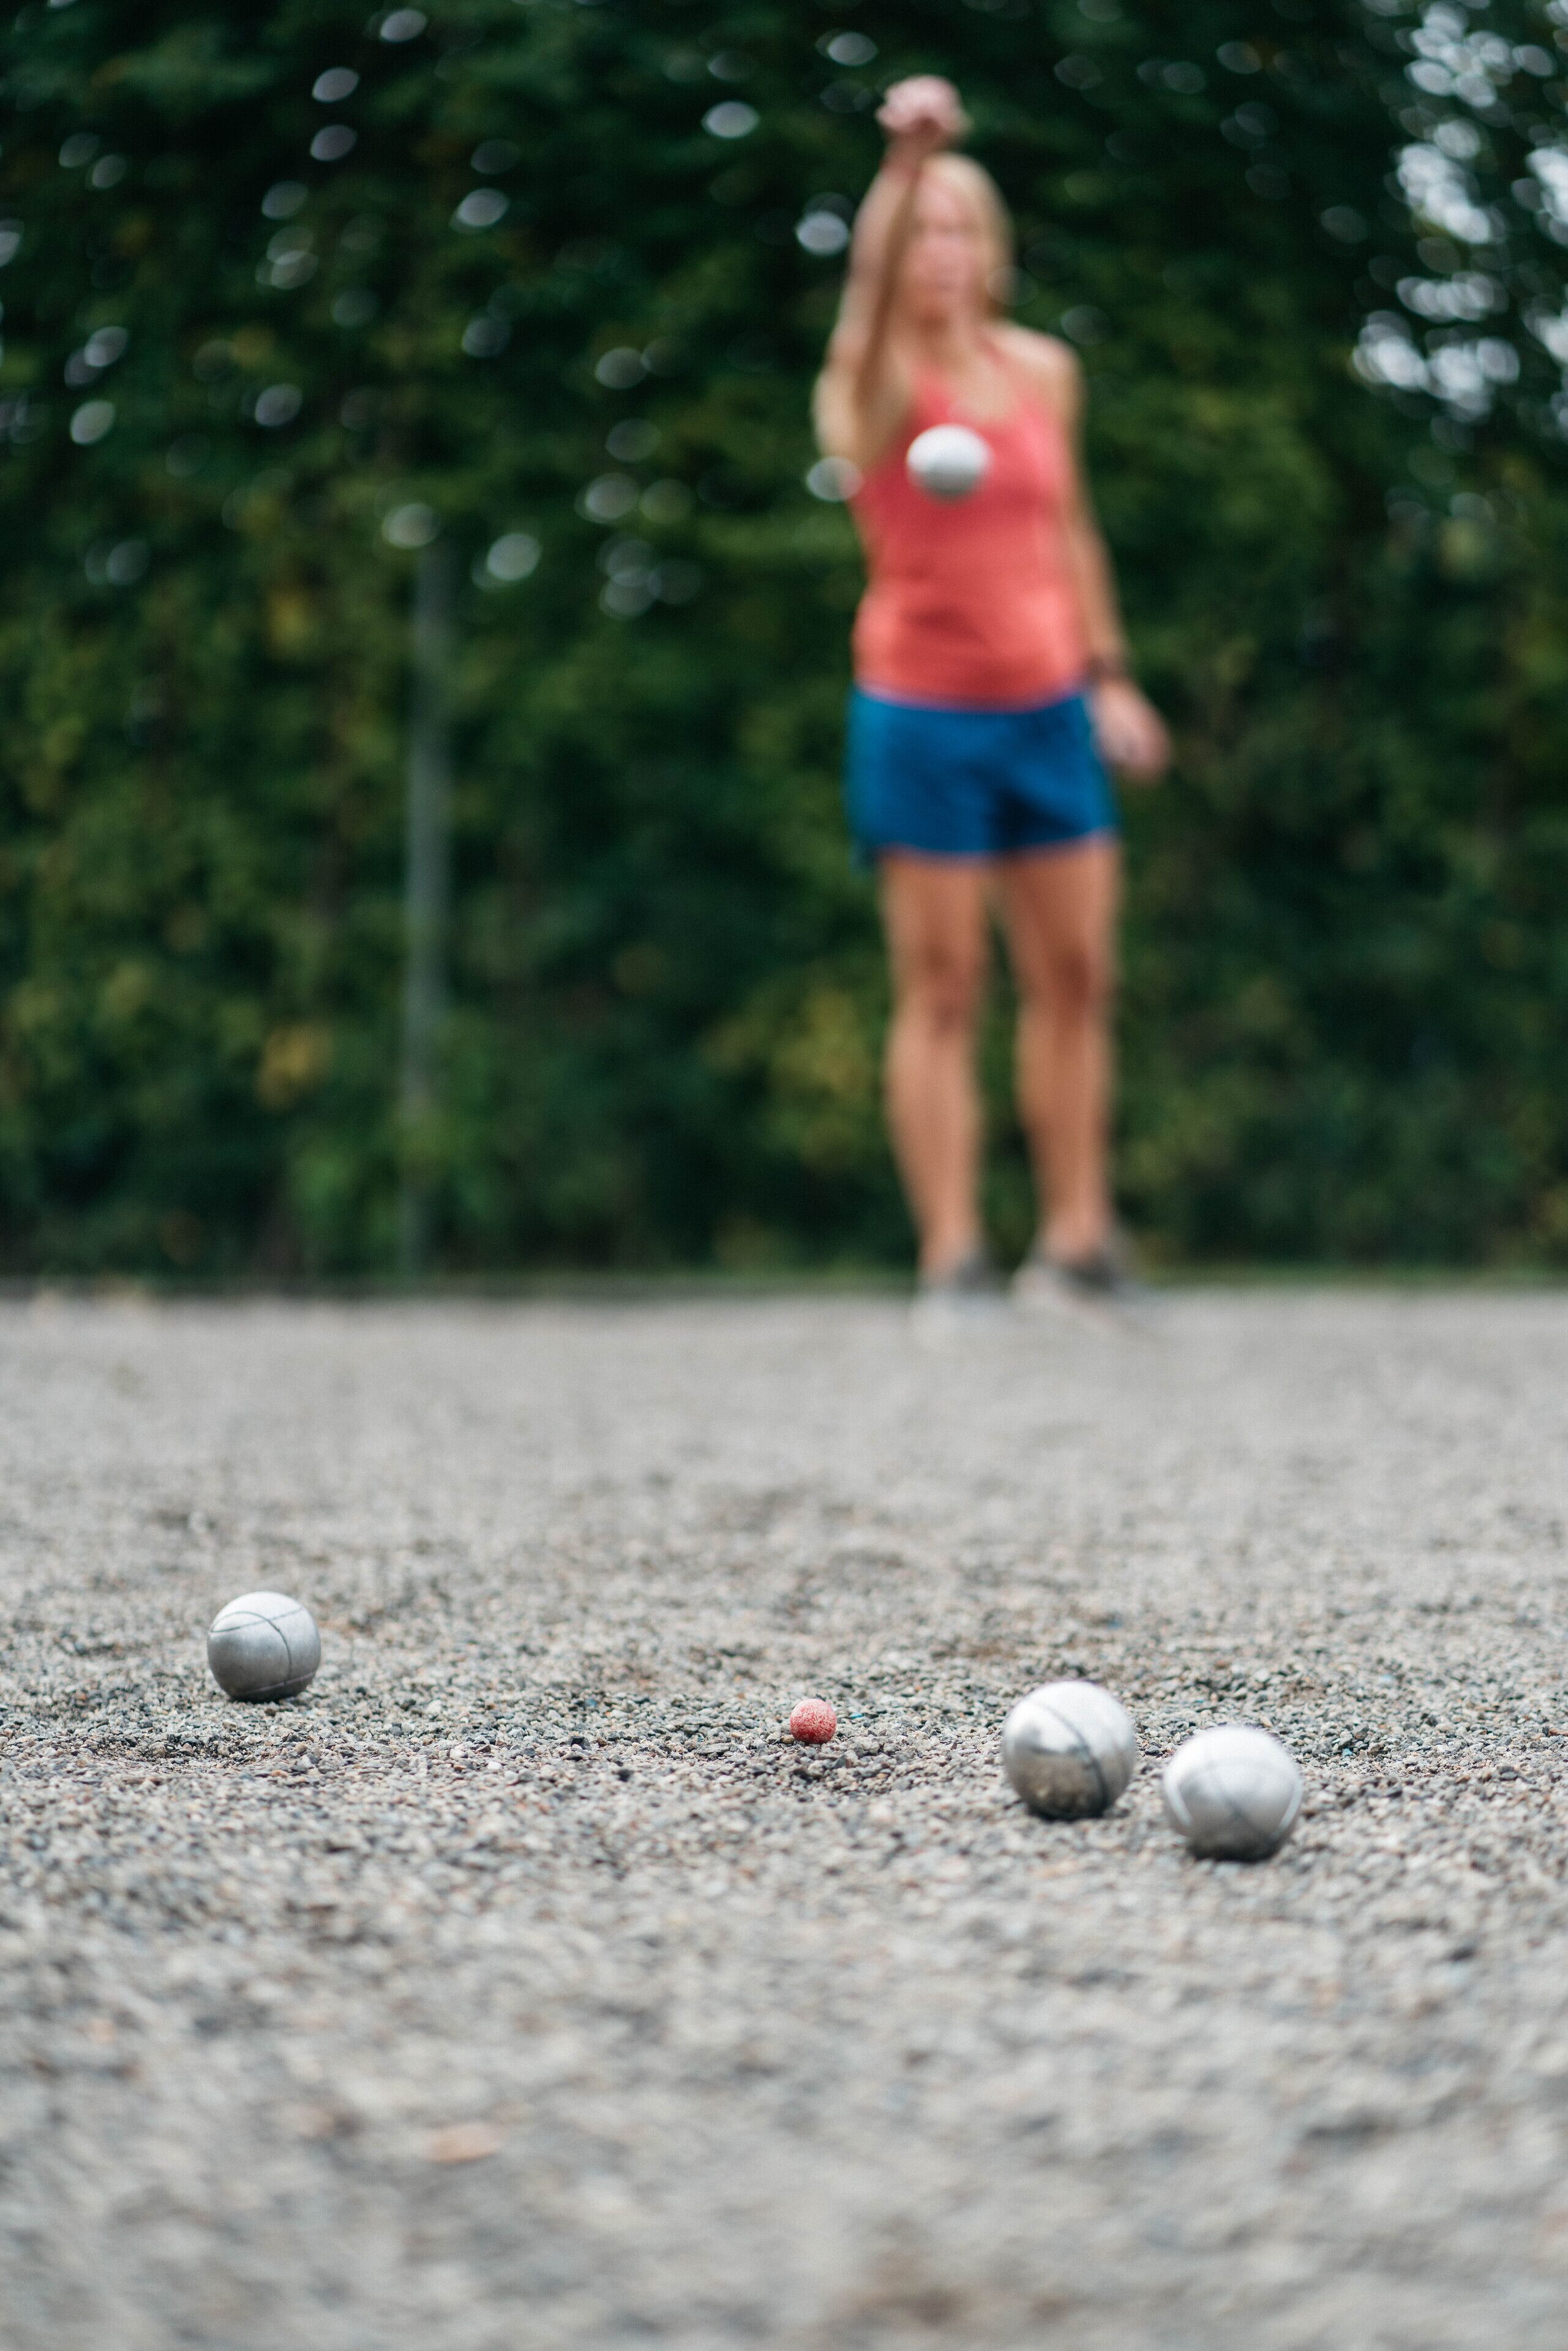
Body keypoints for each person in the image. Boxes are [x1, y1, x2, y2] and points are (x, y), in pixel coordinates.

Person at [812, 75, 1169, 1320]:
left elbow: (1070, 532)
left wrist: (1110, 677)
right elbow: (865, 300)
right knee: (945, 988)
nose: (940, 251)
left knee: (1077, 978)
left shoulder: (1043, 373)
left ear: (991, 248)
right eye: (922, 231)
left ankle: (1074, 1242)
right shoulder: (868, 383)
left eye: (959, 228)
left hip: (1049, 709)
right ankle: (951, 1254)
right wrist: (903, 168)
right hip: (921, 716)